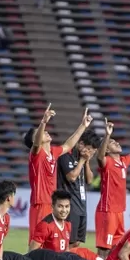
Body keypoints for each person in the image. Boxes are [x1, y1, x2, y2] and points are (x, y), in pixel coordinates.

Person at [24, 105, 93, 244]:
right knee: (37, 242)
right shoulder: (36, 154)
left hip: (53, 204)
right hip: (40, 204)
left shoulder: (53, 153)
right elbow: (37, 143)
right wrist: (43, 122)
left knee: (53, 242)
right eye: (40, 133)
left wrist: (83, 126)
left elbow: (68, 145)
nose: (45, 132)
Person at [95, 117, 130, 257]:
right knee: (104, 249)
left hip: (119, 211)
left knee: (116, 247)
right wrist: (107, 135)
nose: (117, 142)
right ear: (106, 149)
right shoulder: (107, 162)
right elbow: (99, 157)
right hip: (108, 210)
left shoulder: (123, 162)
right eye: (113, 142)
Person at [57, 129, 100, 249]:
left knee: (76, 242)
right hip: (70, 205)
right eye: (90, 149)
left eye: (94, 151)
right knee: (68, 242)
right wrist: (81, 160)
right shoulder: (66, 156)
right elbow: (71, 177)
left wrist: (86, 162)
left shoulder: (83, 159)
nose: (91, 152)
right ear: (81, 144)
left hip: (81, 205)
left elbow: (90, 180)